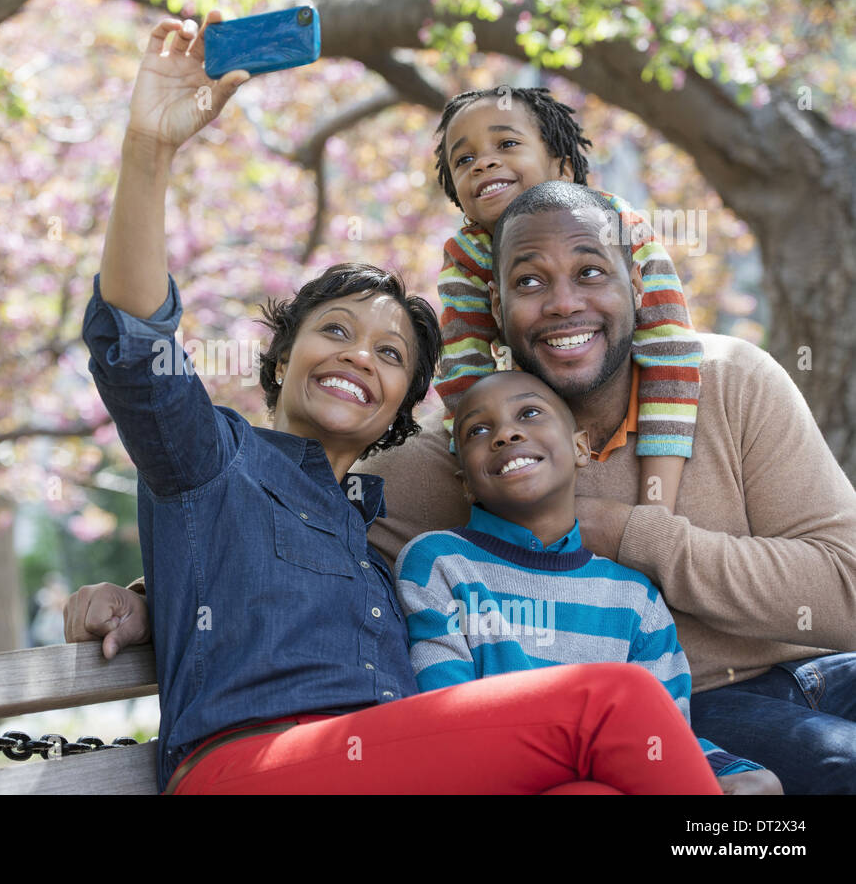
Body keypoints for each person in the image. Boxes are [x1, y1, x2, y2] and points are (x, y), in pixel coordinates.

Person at [78, 13, 724, 794]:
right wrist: (149, 150)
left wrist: (151, 595)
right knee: (610, 701)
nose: (359, 355)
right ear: (281, 360)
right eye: (336, 332)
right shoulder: (214, 459)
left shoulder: (379, 535)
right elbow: (137, 346)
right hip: (257, 765)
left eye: (389, 355)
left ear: (401, 413)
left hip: (385, 763)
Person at [360, 181, 856, 793]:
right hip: (696, 704)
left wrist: (628, 533)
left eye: (591, 271)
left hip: (831, 668)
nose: (564, 303)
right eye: (531, 282)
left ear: (636, 285)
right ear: (496, 302)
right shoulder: (460, 455)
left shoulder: (731, 382)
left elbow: (849, 590)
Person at [396, 369, 780, 791]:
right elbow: (445, 719)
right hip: (501, 778)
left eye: (529, 413)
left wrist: (728, 771)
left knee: (760, 786)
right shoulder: (439, 562)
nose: (505, 434)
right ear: (465, 483)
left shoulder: (634, 598)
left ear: (580, 448)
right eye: (479, 430)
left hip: (620, 775)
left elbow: (663, 737)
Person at [432, 87, 701, 517]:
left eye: (507, 144)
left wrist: (655, 509)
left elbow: (669, 351)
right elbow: (466, 375)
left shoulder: (616, 225)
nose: (482, 163)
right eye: (463, 160)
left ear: (563, 168)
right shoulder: (466, 258)